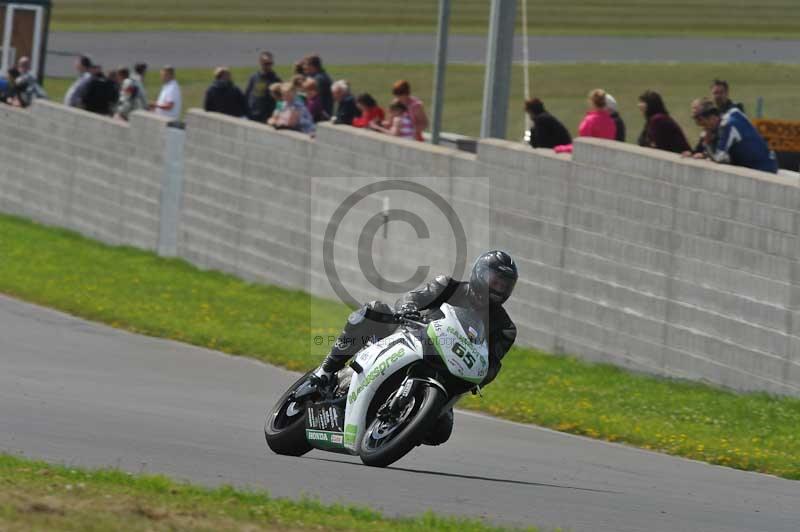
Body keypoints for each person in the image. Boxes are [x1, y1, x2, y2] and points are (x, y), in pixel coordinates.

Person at [308, 250, 519, 446]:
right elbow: (413, 297)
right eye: (495, 281)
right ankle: (325, 370)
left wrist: (481, 376)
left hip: (449, 371)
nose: (498, 289)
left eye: (504, 286)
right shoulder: (447, 286)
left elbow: (492, 362)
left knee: (440, 431)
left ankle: (402, 425)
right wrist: (408, 308)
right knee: (373, 311)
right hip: (410, 336)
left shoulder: (505, 328)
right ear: (480, 274)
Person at [691, 98, 777, 173]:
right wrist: (705, 154)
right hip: (757, 165)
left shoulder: (728, 125)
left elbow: (720, 158)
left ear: (712, 117)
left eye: (705, 124)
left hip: (763, 168)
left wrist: (707, 143)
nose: (705, 130)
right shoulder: (729, 117)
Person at [244, 51, 282, 123]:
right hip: (252, 115)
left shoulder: (276, 79)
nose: (268, 66)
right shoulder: (254, 77)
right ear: (260, 63)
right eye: (266, 64)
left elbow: (281, 100)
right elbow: (247, 95)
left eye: (270, 63)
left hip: (266, 118)